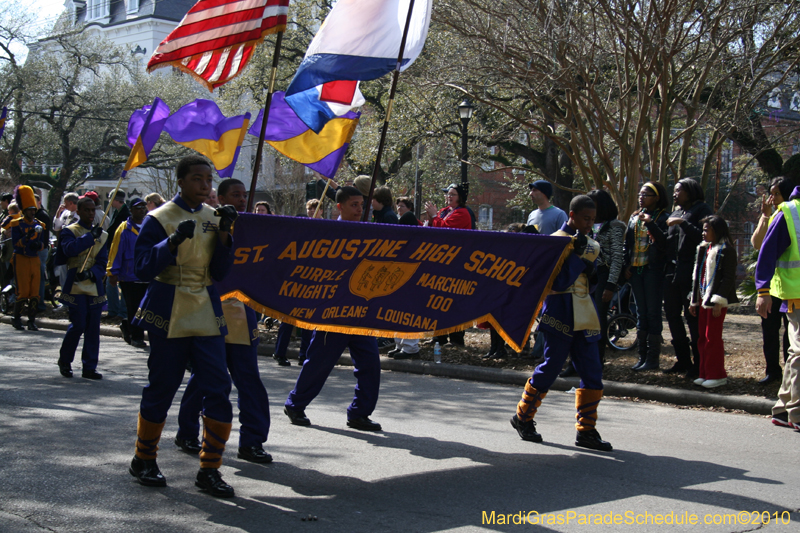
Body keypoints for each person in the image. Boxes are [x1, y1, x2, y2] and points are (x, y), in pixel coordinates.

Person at [127, 155, 238, 498]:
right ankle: (144, 458)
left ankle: (210, 469)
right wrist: (171, 242)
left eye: (209, 179)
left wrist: (225, 236)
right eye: (197, 179)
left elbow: (220, 273)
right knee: (162, 385)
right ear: (180, 181)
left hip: (205, 307)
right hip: (167, 306)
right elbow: (143, 268)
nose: (205, 185)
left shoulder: (214, 217)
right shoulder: (158, 219)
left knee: (218, 386)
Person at [176, 178, 273, 464]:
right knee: (205, 380)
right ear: (220, 197)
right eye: (235, 195)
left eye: (244, 195)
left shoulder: (255, 227)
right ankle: (187, 432)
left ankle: (252, 441)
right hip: (210, 313)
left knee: (250, 382)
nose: (242, 199)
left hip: (243, 315)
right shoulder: (207, 224)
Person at [510, 195, 612, 451]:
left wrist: (592, 273)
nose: (590, 224)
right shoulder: (554, 242)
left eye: (592, 219)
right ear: (572, 215)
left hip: (585, 314)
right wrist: (577, 260)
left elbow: (592, 283)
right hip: (559, 312)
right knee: (551, 367)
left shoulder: (591, 245)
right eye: (585, 219)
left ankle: (586, 430)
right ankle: (522, 417)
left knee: (592, 372)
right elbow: (556, 283)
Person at [284, 186, 384, 432]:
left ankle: (360, 413)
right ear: (339, 207)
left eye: (362, 204)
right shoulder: (327, 232)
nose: (359, 209)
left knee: (370, 364)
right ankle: (295, 404)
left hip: (361, 313)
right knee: (319, 363)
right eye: (354, 205)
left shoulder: (371, 231)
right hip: (333, 313)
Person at [755, 184, 800, 430]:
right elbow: (766, 252)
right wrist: (763, 291)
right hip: (796, 296)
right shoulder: (789, 212)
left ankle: (783, 409)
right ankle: (797, 413)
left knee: (796, 353)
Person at [664, 178, 713, 378]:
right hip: (671, 272)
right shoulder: (675, 213)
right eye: (674, 191)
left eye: (678, 191)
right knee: (672, 316)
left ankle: (698, 365)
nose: (674, 194)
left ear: (690, 191)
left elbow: (705, 238)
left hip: (692, 272)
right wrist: (650, 226)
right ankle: (682, 360)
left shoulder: (702, 210)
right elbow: (666, 243)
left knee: (692, 318)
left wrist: (683, 223)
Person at [55, 196, 107, 379]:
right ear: (78, 211)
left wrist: (93, 274)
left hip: (93, 284)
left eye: (93, 210)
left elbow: (102, 261)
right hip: (75, 283)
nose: (91, 213)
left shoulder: (101, 234)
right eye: (86, 210)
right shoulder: (70, 231)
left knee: (93, 327)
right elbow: (69, 250)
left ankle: (89, 366)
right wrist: (88, 237)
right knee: (78, 325)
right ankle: (65, 361)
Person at [751, 177, 793, 384]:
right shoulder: (773, 215)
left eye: (776, 193)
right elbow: (757, 244)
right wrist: (765, 217)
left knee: (789, 334)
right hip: (770, 288)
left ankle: (788, 373)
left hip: (788, 287)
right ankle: (772, 371)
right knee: (769, 330)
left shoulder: (791, 215)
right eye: (771, 194)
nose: (772, 198)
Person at [688, 215, 738, 388]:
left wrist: (719, 301)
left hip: (715, 302)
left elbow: (728, 278)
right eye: (703, 229)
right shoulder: (704, 248)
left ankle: (717, 375)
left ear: (717, 231)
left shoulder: (727, 250)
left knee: (712, 338)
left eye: (706, 230)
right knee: (702, 337)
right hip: (703, 299)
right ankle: (704, 373)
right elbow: (698, 276)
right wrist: (694, 300)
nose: (703, 233)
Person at [624, 182, 670, 371]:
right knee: (641, 313)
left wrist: (650, 222)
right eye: (640, 194)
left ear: (657, 197)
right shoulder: (634, 218)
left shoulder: (662, 218)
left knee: (653, 313)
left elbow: (665, 242)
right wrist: (627, 266)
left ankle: (653, 359)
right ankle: (642, 356)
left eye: (646, 195)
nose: (641, 197)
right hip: (636, 270)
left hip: (653, 271)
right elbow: (628, 243)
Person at [424, 184, 472, 346]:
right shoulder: (445, 211)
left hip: (456, 263)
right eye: (448, 194)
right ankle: (439, 337)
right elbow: (435, 226)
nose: (449, 197)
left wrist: (434, 216)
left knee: (453, 302)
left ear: (460, 197)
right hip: (441, 262)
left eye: (453, 194)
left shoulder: (462, 213)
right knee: (437, 301)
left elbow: (446, 231)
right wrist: (431, 218)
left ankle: (456, 338)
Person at [586, 189, 626, 366]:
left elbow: (617, 256)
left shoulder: (614, 226)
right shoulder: (587, 225)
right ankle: (581, 359)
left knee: (599, 318)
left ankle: (597, 359)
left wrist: (610, 285)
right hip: (587, 274)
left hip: (604, 274)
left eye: (592, 204)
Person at [107, 198, 148, 348]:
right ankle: (136, 336)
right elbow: (116, 251)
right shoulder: (124, 228)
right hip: (129, 276)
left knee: (145, 308)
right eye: (138, 207)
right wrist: (113, 272)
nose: (141, 210)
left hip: (146, 274)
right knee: (134, 307)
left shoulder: (149, 226)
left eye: (144, 207)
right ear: (131, 210)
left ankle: (127, 326)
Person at [8, 186, 47, 331]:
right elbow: (16, 244)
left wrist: (39, 244)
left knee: (35, 291)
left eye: (34, 209)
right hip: (21, 258)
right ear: (24, 210)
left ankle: (31, 320)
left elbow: (43, 243)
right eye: (30, 209)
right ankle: (16, 318)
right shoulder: (16, 224)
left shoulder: (40, 225)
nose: (32, 212)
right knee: (23, 291)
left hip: (34, 258)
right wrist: (27, 237)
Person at [105, 191, 129, 322]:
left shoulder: (126, 214)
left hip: (122, 254)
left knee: (123, 284)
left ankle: (123, 311)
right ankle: (112, 310)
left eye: (111, 199)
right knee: (110, 283)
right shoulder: (116, 213)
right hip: (112, 252)